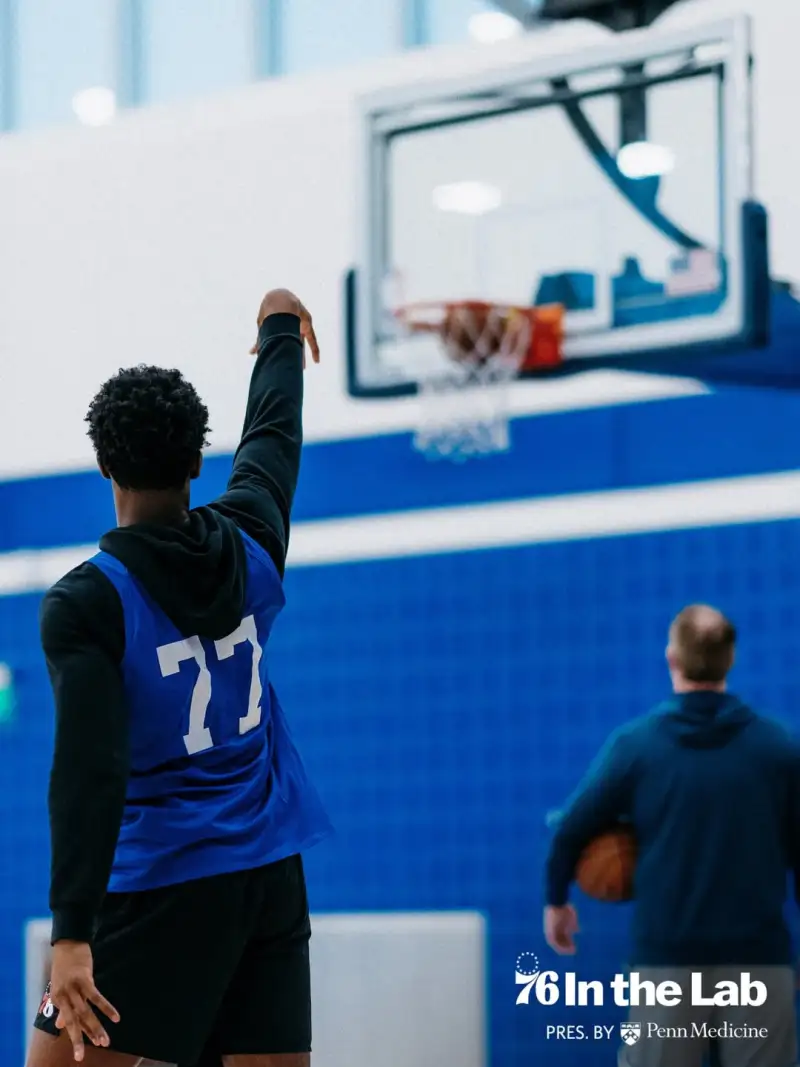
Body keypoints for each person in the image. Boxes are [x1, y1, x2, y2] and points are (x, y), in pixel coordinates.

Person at [28, 288, 332, 1067]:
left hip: (157, 878)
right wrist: (278, 331)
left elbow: (90, 772)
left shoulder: (86, 600)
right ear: (198, 460)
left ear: (103, 464)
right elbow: (273, 434)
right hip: (268, 871)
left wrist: (70, 934)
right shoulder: (255, 536)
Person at [543, 604, 800, 1067]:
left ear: (672, 659)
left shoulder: (636, 746)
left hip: (668, 964)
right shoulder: (780, 747)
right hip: (759, 963)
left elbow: (570, 829)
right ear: (730, 659)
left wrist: (557, 901)